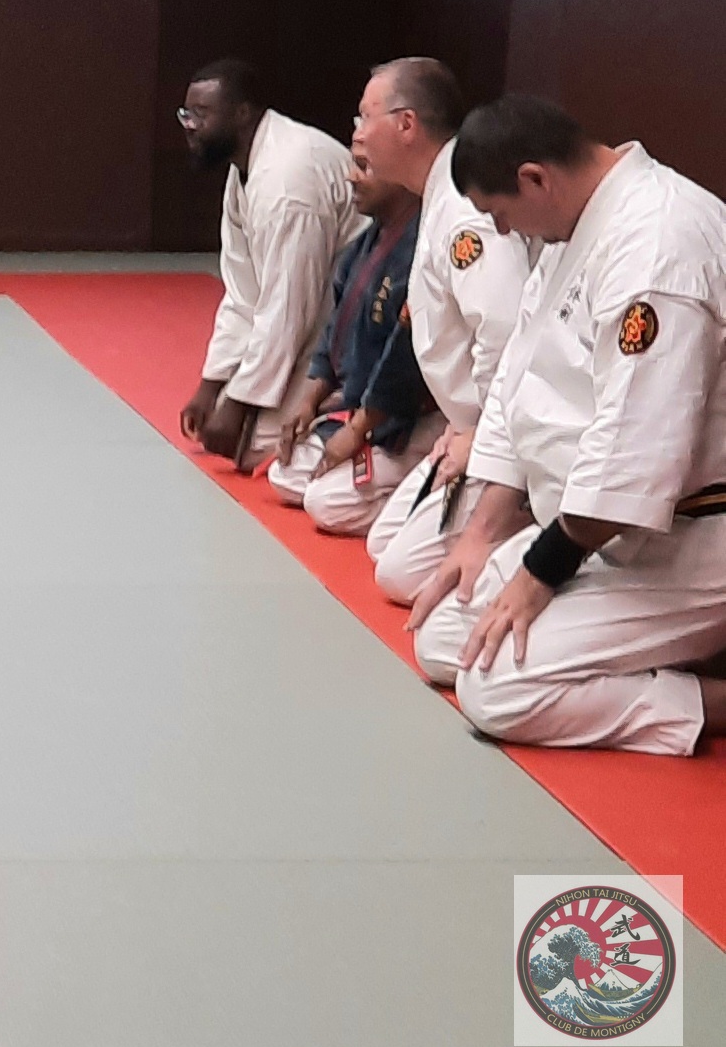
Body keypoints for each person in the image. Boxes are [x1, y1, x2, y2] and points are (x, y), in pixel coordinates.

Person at [407, 97, 726, 755]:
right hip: (596, 530)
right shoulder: (572, 227)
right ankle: (651, 650)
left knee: (493, 689)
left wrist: (540, 571)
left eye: (499, 213)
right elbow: (516, 385)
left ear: (535, 178)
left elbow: (636, 447)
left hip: (688, 539)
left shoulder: (658, 244)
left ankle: (708, 698)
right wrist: (482, 534)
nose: (501, 230)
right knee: (443, 639)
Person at [350, 58, 530, 602]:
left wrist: (484, 434)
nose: (357, 134)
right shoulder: (439, 193)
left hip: (508, 430)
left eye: (365, 117)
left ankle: (530, 521)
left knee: (399, 575)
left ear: (406, 124)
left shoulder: (465, 208)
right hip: (468, 419)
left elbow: (506, 334)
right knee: (383, 544)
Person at [179, 59, 364, 473]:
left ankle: (348, 409)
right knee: (228, 427)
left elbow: (289, 306)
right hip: (313, 302)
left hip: (353, 312)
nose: (190, 126)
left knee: (259, 446)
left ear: (242, 114)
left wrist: (239, 403)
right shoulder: (244, 169)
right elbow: (244, 292)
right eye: (186, 114)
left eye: (202, 114)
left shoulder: (287, 184)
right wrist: (212, 385)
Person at [268, 156, 439, 535]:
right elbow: (335, 330)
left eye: (365, 166)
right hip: (359, 406)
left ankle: (416, 485)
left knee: (325, 504)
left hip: (410, 419)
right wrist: (310, 400)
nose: (351, 177)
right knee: (285, 474)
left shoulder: (419, 248)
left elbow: (404, 364)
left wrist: (360, 428)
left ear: (401, 178)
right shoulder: (367, 242)